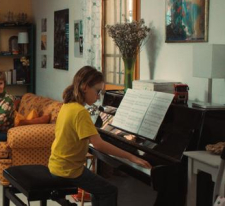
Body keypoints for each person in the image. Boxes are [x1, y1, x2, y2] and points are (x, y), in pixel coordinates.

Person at [48, 66, 152, 206]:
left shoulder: (68, 105)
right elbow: (99, 144)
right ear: (85, 87)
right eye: (97, 91)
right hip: (68, 170)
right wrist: (131, 156)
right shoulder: (80, 112)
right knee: (109, 191)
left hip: (57, 164)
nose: (98, 97)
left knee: (99, 189)